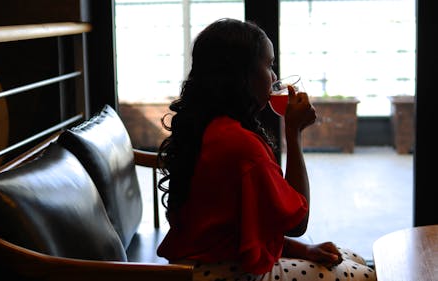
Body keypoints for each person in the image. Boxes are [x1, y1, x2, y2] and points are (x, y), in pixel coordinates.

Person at [156, 18, 377, 281]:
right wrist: (293, 133)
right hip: (222, 273)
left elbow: (239, 229)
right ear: (241, 74)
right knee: (367, 276)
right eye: (269, 65)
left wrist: (305, 250)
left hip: (200, 264)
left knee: (356, 260)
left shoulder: (210, 126)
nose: (274, 77)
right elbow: (296, 223)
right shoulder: (241, 145)